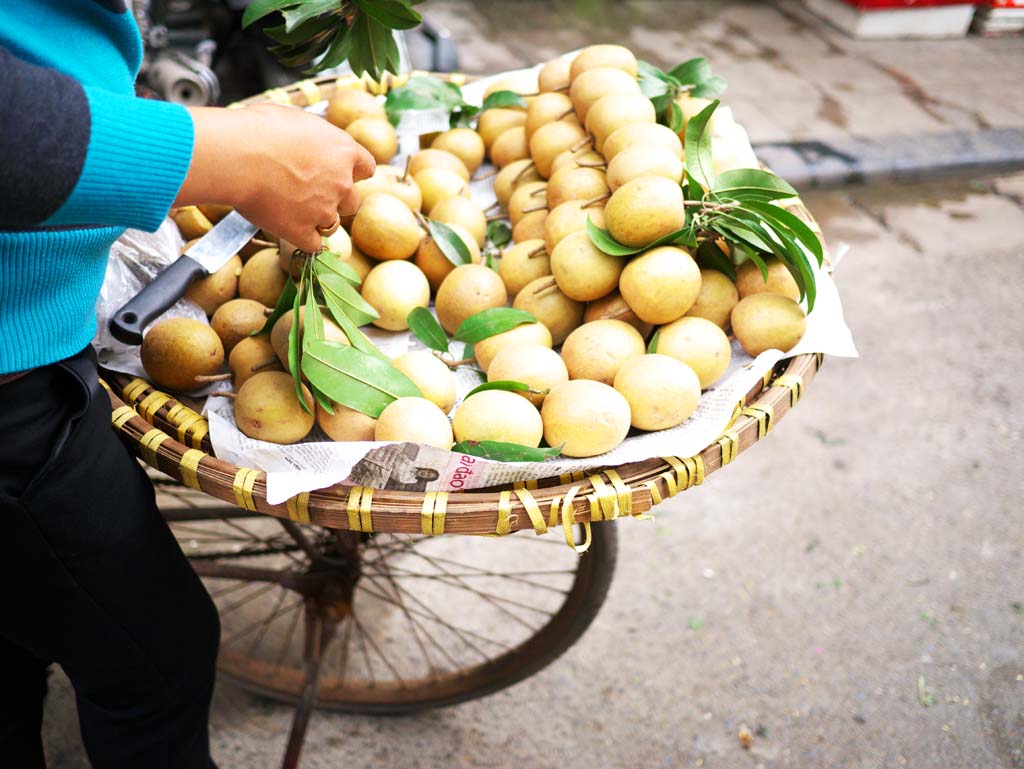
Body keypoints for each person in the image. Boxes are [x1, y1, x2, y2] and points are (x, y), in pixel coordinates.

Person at [0, 2, 376, 767]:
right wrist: (221, 154)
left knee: (19, 626)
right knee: (157, 657)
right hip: (13, 378)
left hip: (36, 315)